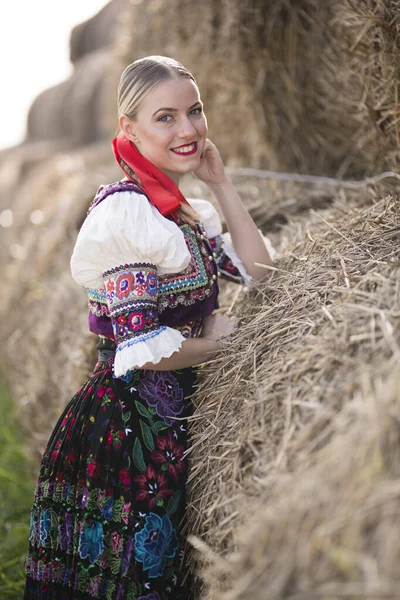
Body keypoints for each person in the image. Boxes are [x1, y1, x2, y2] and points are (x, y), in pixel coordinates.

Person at [23, 55, 275, 600]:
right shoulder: (124, 218)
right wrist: (230, 345)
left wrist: (223, 184)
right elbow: (142, 350)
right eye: (166, 117)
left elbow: (262, 272)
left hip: (172, 427)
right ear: (128, 130)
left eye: (195, 111)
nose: (187, 129)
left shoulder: (183, 214)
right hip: (127, 438)